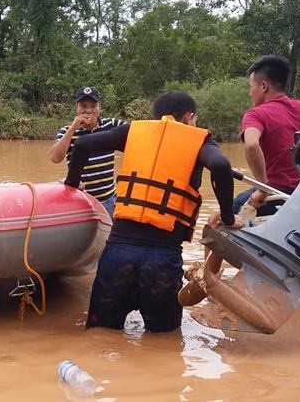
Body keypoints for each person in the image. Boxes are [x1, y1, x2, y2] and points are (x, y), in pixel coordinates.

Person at [64, 91, 239, 333]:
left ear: (156, 117)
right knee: (163, 343)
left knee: (100, 335)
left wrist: (71, 185)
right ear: (190, 118)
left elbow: (82, 143)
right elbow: (220, 165)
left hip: (116, 256)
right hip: (161, 261)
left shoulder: (134, 131)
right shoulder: (199, 140)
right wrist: (228, 217)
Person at [234, 55, 300, 216]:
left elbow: (251, 145)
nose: (249, 92)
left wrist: (263, 188)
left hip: (276, 192)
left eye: (251, 86)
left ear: (264, 86)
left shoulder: (255, 114)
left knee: (217, 219)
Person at [49, 86, 126, 217]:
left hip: (109, 200)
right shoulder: (67, 131)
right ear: (77, 108)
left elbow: (135, 134)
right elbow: (55, 158)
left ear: (99, 108)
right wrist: (73, 128)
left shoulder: (112, 125)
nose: (88, 111)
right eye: (83, 106)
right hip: (81, 201)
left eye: (93, 106)